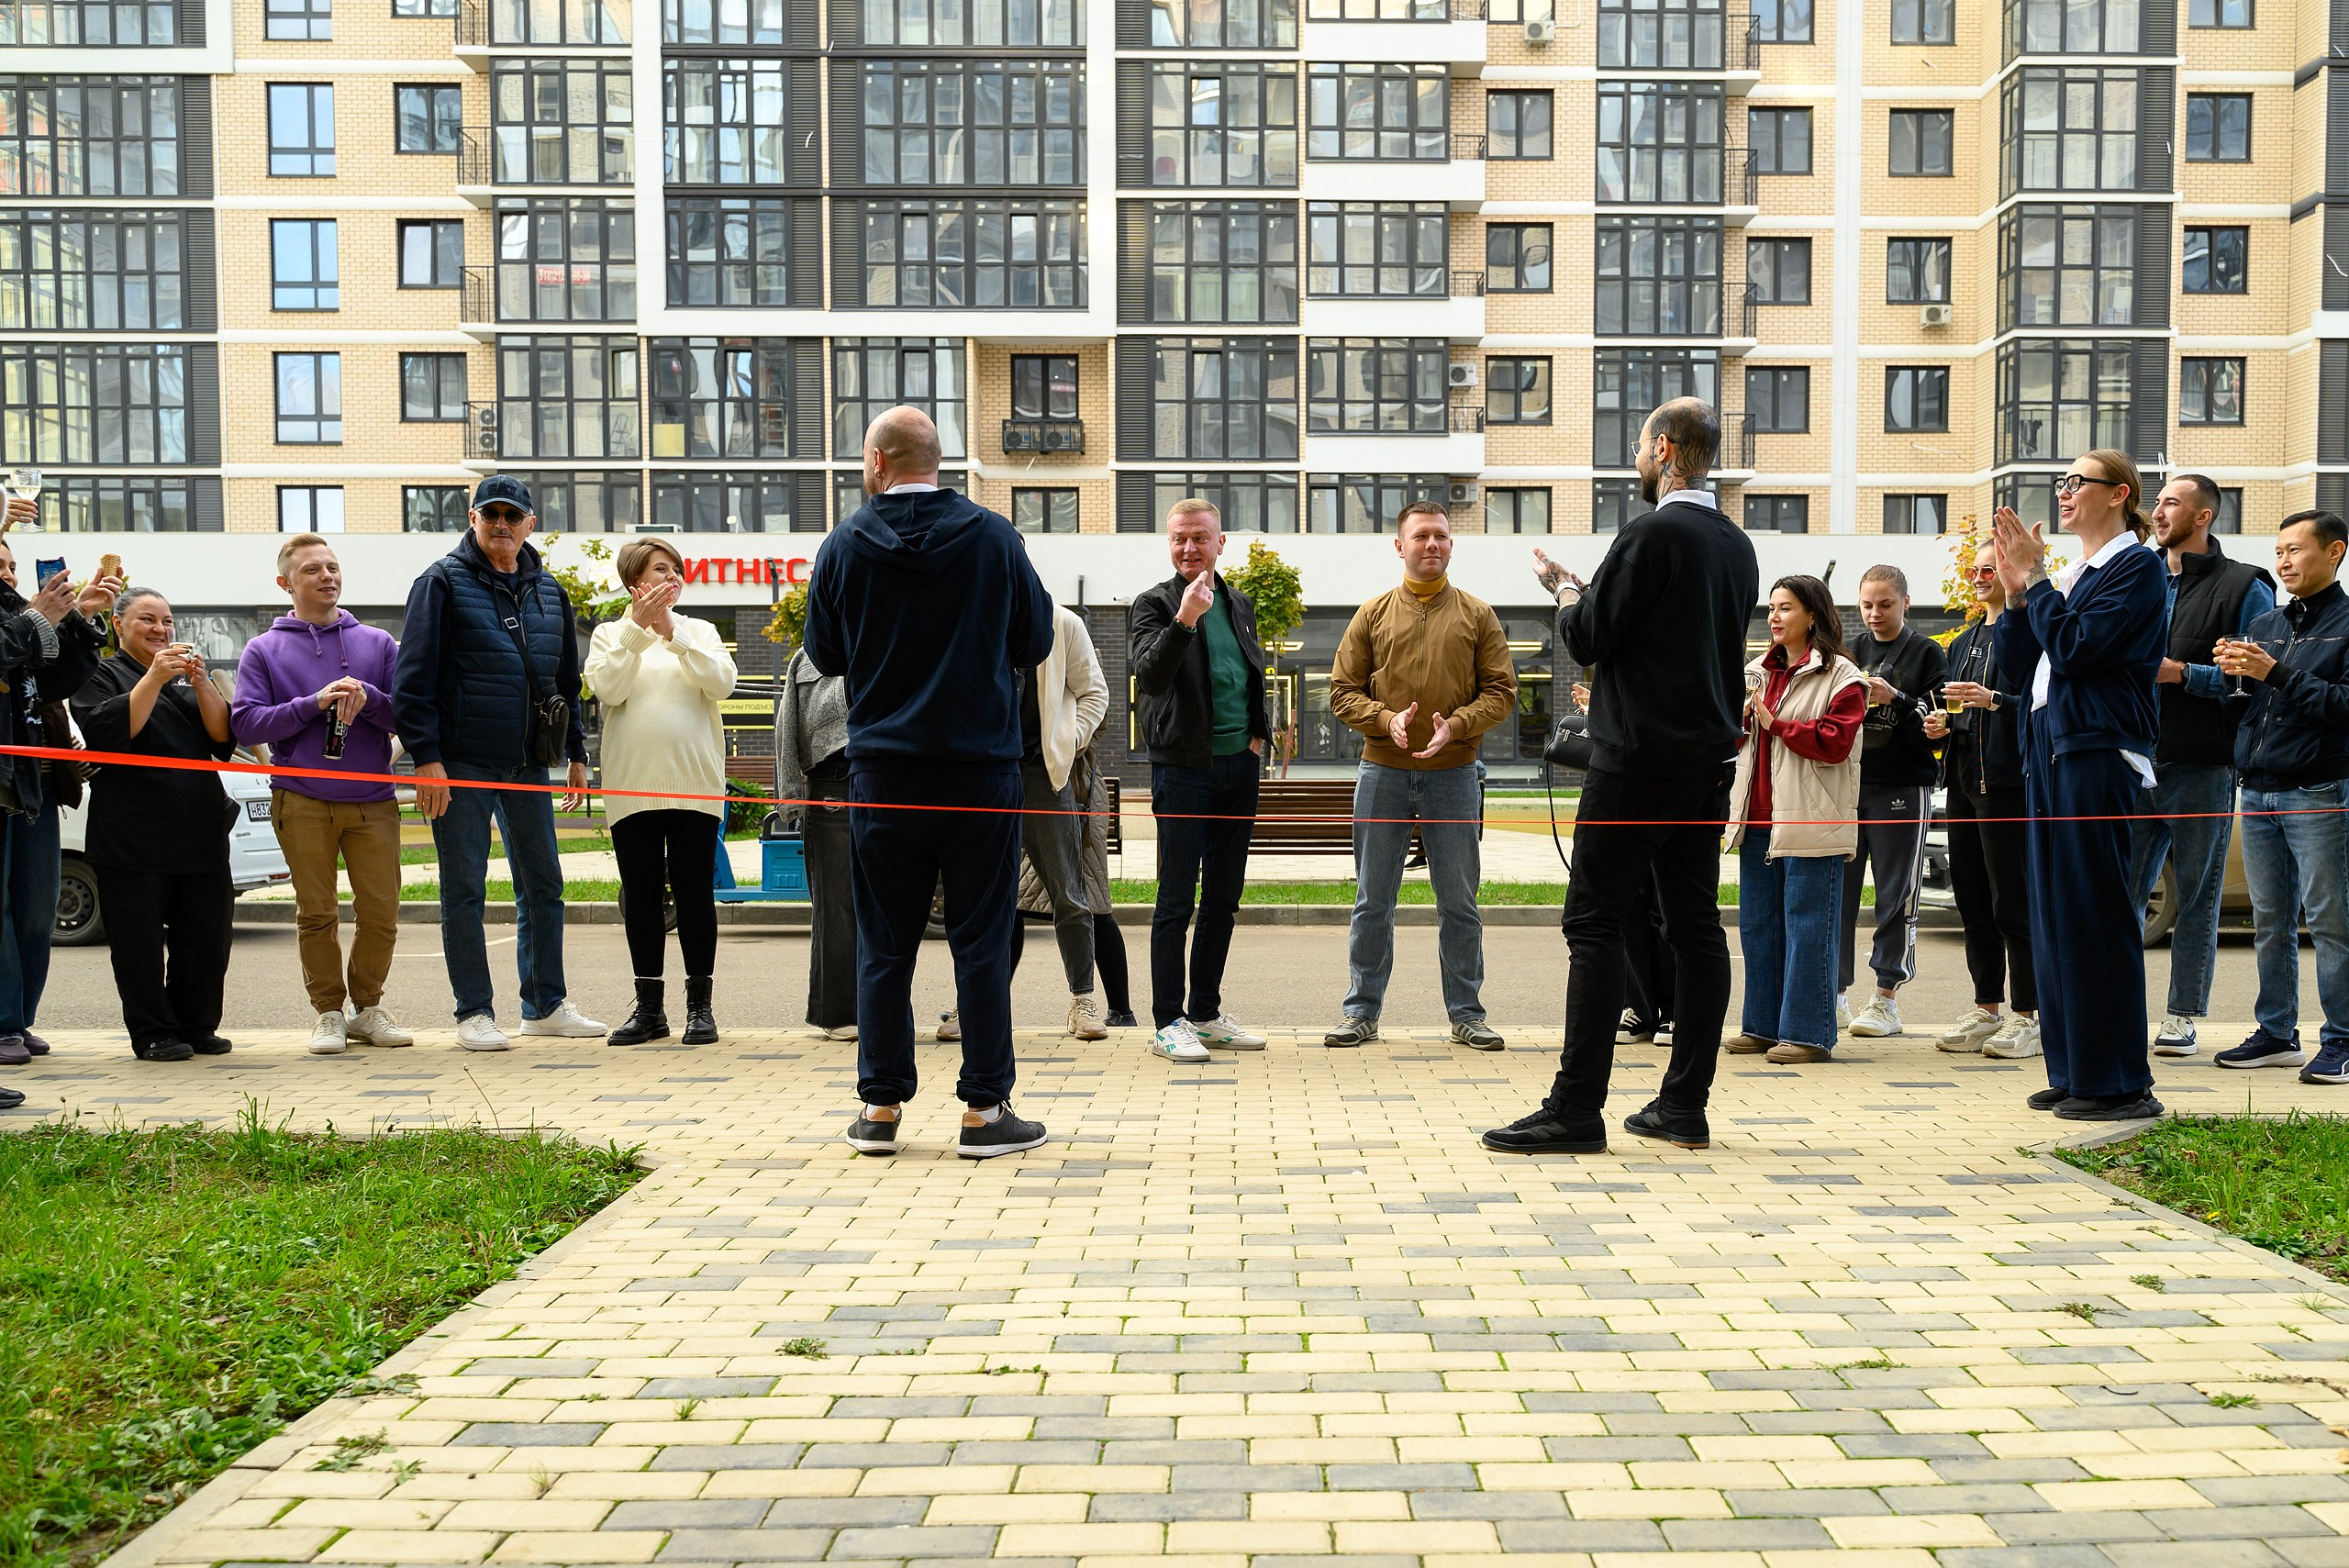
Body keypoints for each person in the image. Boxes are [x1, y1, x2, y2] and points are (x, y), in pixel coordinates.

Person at [1483, 397, 1759, 1155]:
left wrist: (1567, 590)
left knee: (1593, 921)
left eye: (1641, 447)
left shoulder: (1650, 530)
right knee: (1697, 927)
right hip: (1706, 761)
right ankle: (1683, 1105)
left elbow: (1590, 635)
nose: (1638, 459)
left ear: (1664, 449)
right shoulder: (1736, 545)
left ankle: (1576, 1109)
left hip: (1636, 762)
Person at [804, 406, 1056, 1160]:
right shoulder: (993, 536)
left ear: (876, 461)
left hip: (883, 769)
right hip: (979, 770)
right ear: (936, 462)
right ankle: (984, 1109)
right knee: (982, 938)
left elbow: (824, 651)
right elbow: (1035, 639)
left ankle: (879, 1110)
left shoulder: (844, 543)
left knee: (885, 941)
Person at [391, 474, 606, 1051]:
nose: (503, 525)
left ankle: (544, 1004)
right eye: (492, 515)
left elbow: (565, 681)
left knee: (544, 884)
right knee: (464, 888)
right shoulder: (439, 582)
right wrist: (426, 759)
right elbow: (412, 680)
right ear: (473, 518)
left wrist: (577, 753)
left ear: (531, 524)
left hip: (530, 764)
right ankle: (473, 1013)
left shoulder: (550, 591)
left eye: (514, 516)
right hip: (460, 764)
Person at [1992, 449, 2167, 1121]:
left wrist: (2037, 584)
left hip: (2095, 751)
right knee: (2055, 918)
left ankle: (2120, 1081)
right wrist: (2017, 593)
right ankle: (2075, 1069)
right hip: (2050, 750)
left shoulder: (2136, 566)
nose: (2063, 493)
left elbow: (2076, 650)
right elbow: (2022, 662)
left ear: (2119, 493)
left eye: (2076, 482)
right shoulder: (2072, 571)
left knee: (2094, 916)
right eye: (2060, 483)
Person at [1325, 499, 1518, 1051]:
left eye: (1440, 535)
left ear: (1450, 545)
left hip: (1455, 773)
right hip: (1381, 771)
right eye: (1421, 536)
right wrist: (1385, 719)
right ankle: (1360, 1012)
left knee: (1458, 900)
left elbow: (1501, 692)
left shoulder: (1478, 615)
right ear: (1400, 546)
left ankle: (1467, 1014)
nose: (1431, 544)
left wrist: (1456, 727)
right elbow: (1341, 691)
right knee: (1372, 899)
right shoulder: (1372, 614)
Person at [230, 534, 411, 1057]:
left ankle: (368, 1007)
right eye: (313, 569)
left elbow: (408, 715)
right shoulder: (263, 649)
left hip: (373, 797)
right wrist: (311, 704)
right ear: (286, 582)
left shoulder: (378, 643)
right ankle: (330, 1013)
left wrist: (368, 696)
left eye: (332, 567)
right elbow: (246, 722)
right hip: (301, 798)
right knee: (317, 912)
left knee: (381, 910)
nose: (327, 576)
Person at [2126, 473, 2275, 1060]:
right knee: (2123, 896)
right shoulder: (2139, 575)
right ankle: (2115, 1010)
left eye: (2170, 503)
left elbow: (2256, 675)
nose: (2158, 512)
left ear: (2204, 515)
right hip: (2136, 761)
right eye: (2157, 502)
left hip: (2204, 766)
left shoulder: (2246, 586)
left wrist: (2183, 674)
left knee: (2197, 896)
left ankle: (2183, 1016)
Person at [1130, 499, 1274, 1065]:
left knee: (1223, 897)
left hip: (1239, 766)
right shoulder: (1155, 603)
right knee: (1175, 898)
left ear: (1221, 543)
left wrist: (1259, 735)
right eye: (1178, 539)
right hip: (1183, 768)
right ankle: (1170, 1021)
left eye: (1199, 539)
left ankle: (1207, 1013)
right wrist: (1185, 619)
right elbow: (1150, 674)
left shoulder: (1240, 603)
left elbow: (1251, 672)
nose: (1188, 548)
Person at [584, 537, 740, 1048]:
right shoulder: (611, 634)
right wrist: (637, 630)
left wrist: (672, 632)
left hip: (695, 785)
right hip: (632, 787)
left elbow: (722, 683)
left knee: (696, 895)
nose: (671, 577)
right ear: (637, 580)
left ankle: (701, 1008)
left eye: (676, 569)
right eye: (659, 569)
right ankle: (649, 1009)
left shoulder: (700, 630)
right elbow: (609, 689)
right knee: (644, 898)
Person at [72, 590, 237, 1062]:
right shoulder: (99, 674)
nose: (160, 629)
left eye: (166, 621)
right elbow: (108, 732)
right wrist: (153, 676)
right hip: (132, 837)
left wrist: (203, 682)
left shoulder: (181, 682)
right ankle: (153, 1032)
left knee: (206, 937)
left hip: (199, 832)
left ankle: (197, 1023)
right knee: (138, 943)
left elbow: (221, 736)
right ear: (119, 624)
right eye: (147, 619)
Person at [2213, 510, 2349, 1081]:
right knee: (2269, 919)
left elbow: (2343, 706)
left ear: (2335, 552)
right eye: (2279, 551)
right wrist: (2230, 682)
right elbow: (2251, 706)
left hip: (2318, 788)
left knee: (2330, 919)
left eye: (2295, 549)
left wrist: (2278, 675)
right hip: (2259, 787)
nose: (2284, 561)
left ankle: (2341, 1039)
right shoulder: (2267, 622)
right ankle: (2276, 1031)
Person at [1724, 575, 1865, 1069]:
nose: (1775, 617)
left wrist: (1774, 723)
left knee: (1809, 928)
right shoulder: (1754, 671)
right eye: (1771, 608)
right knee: (1758, 927)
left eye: (1786, 608)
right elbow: (1733, 739)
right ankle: (1762, 1027)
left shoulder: (1843, 676)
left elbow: (1834, 742)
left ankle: (1808, 1034)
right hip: (1757, 819)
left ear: (1813, 615)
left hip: (1812, 821)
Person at [0, 517, 113, 1078]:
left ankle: (17, 1019)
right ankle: (1, 1024)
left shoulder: (20, 619)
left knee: (35, 908)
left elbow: (55, 682)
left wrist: (79, 618)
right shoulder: (17, 621)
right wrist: (36, 617)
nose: (10, 575)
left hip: (32, 782)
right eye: (0, 567)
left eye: (12, 566)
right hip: (3, 781)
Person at [1923, 542, 2040, 1060]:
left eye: (1991, 566)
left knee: (2013, 902)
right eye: (1975, 568)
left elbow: (2044, 707)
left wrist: (1993, 701)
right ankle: (1987, 1006)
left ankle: (2030, 1015)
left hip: (2009, 784)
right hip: (1965, 783)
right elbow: (1959, 709)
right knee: (1972, 900)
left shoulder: (2029, 633)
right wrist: (1941, 727)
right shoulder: (1965, 638)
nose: (1980, 574)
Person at [1836, 565, 1945, 1038]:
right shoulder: (1850, 651)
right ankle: (1833, 993)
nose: (1875, 613)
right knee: (1836, 893)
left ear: (1905, 601)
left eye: (1884, 604)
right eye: (1867, 605)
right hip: (1847, 787)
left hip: (1903, 786)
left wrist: (1896, 695)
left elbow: (1938, 714)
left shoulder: (1926, 652)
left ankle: (1886, 998)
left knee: (1896, 896)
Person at [1008, 604, 1110, 1039]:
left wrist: (1067, 740)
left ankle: (1083, 999)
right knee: (979, 899)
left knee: (1069, 892)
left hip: (1043, 776)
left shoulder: (1061, 621)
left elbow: (1095, 693)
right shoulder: (971, 613)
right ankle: (971, 1003)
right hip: (982, 774)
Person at [1014, 729, 1136, 1027]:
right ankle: (978, 1004)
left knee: (1092, 905)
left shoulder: (1075, 688)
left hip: (1075, 792)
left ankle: (1119, 1009)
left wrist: (1059, 742)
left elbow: (1096, 714)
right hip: (1029, 788)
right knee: (1011, 908)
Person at [775, 642, 854, 1040]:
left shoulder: (893, 636)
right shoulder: (808, 655)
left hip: (892, 777)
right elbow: (787, 723)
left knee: (892, 904)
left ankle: (885, 1007)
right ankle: (838, 1010)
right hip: (831, 785)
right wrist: (790, 795)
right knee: (835, 903)